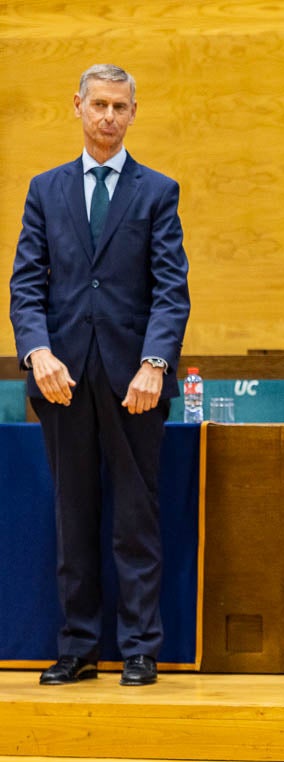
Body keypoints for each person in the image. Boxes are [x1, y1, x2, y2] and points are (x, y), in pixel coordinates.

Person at [9, 64, 191, 687]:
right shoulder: (45, 189)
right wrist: (37, 352)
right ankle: (79, 645)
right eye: (99, 105)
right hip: (61, 380)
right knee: (73, 515)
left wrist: (155, 362)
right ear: (78, 108)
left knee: (136, 517)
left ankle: (140, 646)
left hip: (135, 383)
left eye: (120, 106)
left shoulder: (157, 191)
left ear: (134, 112)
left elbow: (171, 292)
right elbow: (26, 286)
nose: (109, 116)